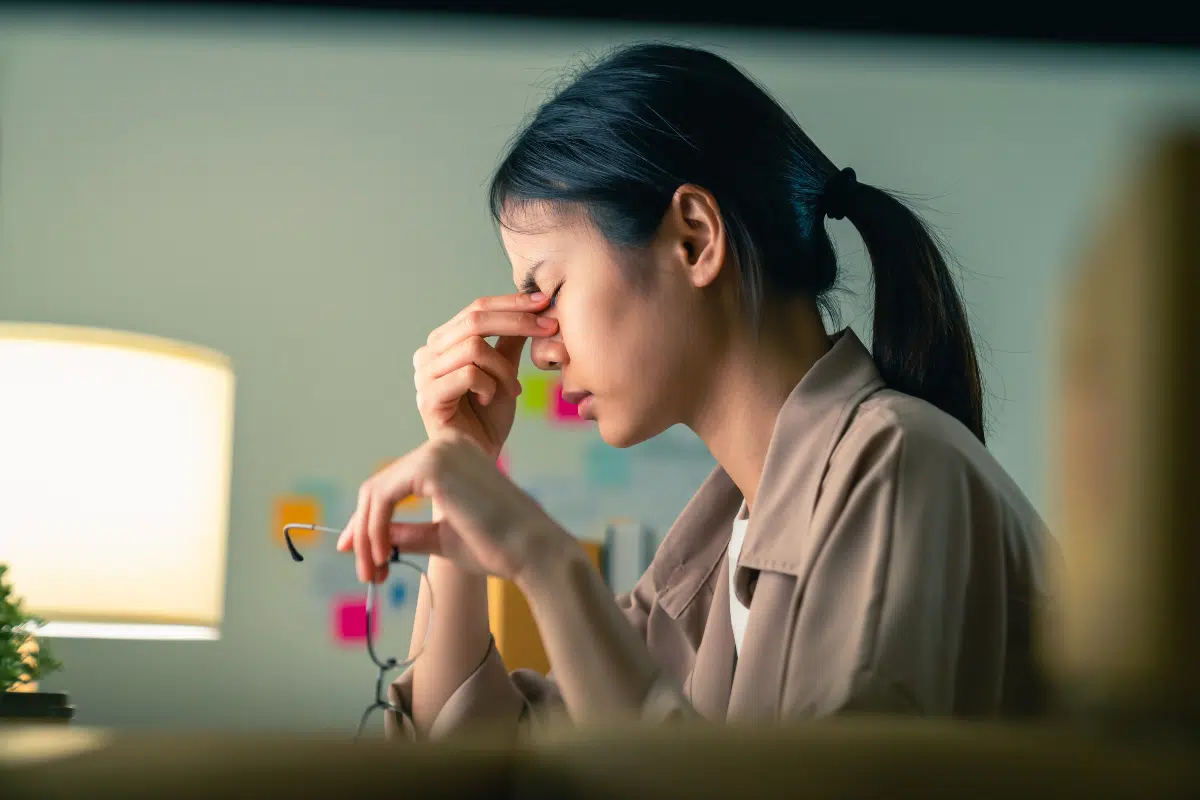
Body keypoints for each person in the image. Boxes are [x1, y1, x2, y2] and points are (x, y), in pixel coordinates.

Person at [335, 41, 1056, 740]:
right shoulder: (708, 558)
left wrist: (546, 560)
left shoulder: (895, 464)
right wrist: (461, 463)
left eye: (544, 292)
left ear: (694, 238)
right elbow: (483, 758)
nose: (540, 351)